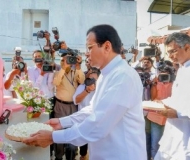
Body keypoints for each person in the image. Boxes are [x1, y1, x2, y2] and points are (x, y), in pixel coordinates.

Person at [23, 24, 147, 160]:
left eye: (89, 48)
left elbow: (97, 125)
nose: (86, 53)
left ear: (107, 46)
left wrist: (53, 137)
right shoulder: (107, 75)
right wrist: (62, 122)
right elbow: (92, 109)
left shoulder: (123, 77)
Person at [154, 32, 190, 160]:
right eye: (168, 53)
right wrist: (161, 102)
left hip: (186, 137)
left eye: (173, 51)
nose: (170, 56)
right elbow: (179, 98)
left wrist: (178, 114)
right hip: (172, 135)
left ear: (187, 47)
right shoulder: (182, 69)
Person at [52, 43, 85, 160]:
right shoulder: (57, 73)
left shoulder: (75, 72)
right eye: (63, 60)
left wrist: (78, 66)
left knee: (73, 131)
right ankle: (58, 156)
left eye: (68, 59)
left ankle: (72, 155)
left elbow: (82, 80)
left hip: (73, 106)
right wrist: (63, 68)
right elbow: (55, 83)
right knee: (58, 130)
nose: (66, 62)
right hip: (60, 105)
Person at [73, 67, 100, 160]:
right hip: (83, 119)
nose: (91, 82)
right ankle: (83, 156)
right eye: (90, 79)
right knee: (83, 144)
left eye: (94, 80)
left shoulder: (102, 88)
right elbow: (76, 100)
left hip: (97, 120)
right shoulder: (82, 87)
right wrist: (87, 90)